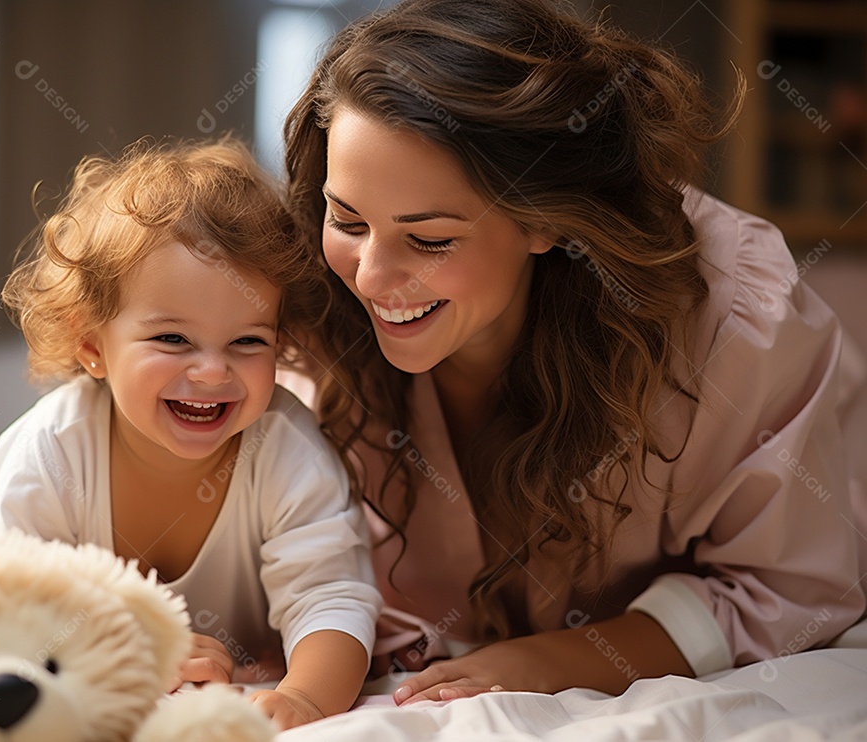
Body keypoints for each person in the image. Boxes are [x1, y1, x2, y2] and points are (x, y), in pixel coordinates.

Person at [281, 0, 867, 706]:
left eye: (430, 239)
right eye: (346, 219)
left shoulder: (734, 314)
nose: (370, 278)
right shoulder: (302, 309)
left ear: (545, 217)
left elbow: (792, 587)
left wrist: (559, 662)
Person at [0, 137, 381, 729]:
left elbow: (332, 597)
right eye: (173, 339)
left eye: (248, 341)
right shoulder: (52, 454)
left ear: (280, 345)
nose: (212, 371)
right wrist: (124, 655)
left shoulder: (283, 446)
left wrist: (306, 697)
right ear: (91, 347)